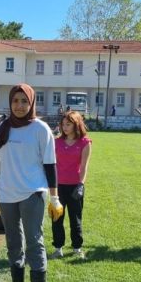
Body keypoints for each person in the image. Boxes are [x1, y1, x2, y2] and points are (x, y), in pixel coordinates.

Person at [0, 84, 62, 282]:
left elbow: (50, 165)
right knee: (13, 242)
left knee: (33, 241)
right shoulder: (3, 127)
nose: (19, 106)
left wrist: (54, 198)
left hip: (32, 192)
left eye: (24, 101)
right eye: (15, 101)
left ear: (32, 103)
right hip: (6, 194)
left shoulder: (40, 129)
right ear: (10, 102)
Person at [50, 111, 92, 260]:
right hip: (58, 187)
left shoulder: (85, 143)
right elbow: (51, 165)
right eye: (63, 124)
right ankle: (58, 248)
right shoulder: (56, 142)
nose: (65, 127)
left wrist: (81, 184)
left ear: (76, 125)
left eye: (68, 124)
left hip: (75, 186)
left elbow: (84, 167)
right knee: (57, 218)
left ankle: (77, 248)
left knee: (76, 219)